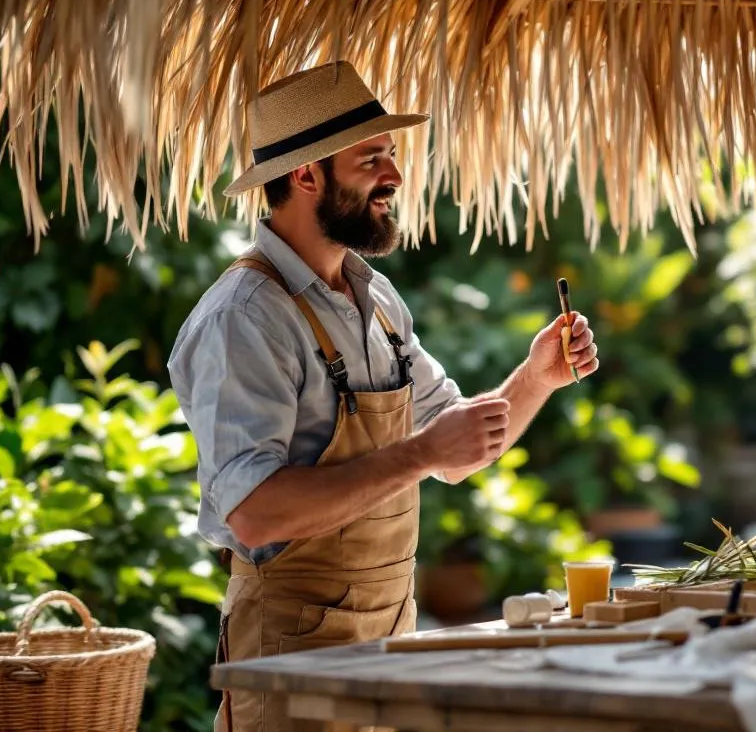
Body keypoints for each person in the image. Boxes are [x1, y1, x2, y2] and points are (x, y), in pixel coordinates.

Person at [167, 62, 600, 731]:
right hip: (291, 664)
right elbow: (251, 513)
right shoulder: (244, 317)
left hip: (390, 643)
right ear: (307, 174)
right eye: (372, 158)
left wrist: (538, 376)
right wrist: (419, 453)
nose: (395, 177)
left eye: (391, 156)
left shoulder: (377, 301)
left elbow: (455, 452)